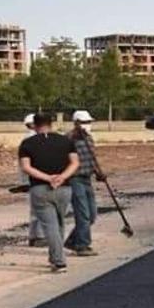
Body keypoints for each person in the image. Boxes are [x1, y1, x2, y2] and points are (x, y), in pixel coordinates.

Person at [17, 112, 79, 273]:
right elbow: (75, 163)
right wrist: (62, 177)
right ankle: (55, 256)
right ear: (51, 123)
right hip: (64, 188)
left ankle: (59, 261)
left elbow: (26, 167)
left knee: (50, 225)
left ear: (34, 125)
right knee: (59, 223)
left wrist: (47, 178)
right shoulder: (65, 141)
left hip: (40, 188)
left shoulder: (27, 144)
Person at [64, 110, 105, 257]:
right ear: (76, 123)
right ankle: (82, 245)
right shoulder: (69, 139)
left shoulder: (89, 138)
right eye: (84, 122)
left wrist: (98, 172)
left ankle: (73, 240)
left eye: (88, 122)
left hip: (87, 179)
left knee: (92, 215)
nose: (87, 125)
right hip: (75, 179)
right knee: (83, 214)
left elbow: (92, 158)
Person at [19, 113, 46, 247]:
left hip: (30, 178)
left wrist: (23, 182)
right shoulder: (34, 140)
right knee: (41, 208)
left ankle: (33, 236)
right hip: (37, 178)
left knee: (35, 209)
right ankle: (39, 237)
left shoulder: (26, 140)